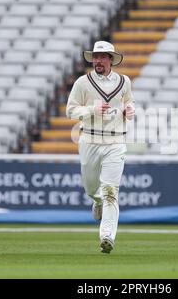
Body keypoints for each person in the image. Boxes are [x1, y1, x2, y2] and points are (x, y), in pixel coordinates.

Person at [66, 41, 135, 254]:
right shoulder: (82, 82)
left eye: (103, 57)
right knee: (91, 188)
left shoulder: (124, 81)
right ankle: (96, 201)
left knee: (110, 191)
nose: (98, 60)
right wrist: (91, 110)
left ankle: (107, 236)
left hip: (116, 142)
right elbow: (70, 111)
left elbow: (129, 102)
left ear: (111, 60)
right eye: (95, 56)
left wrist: (129, 110)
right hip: (89, 140)